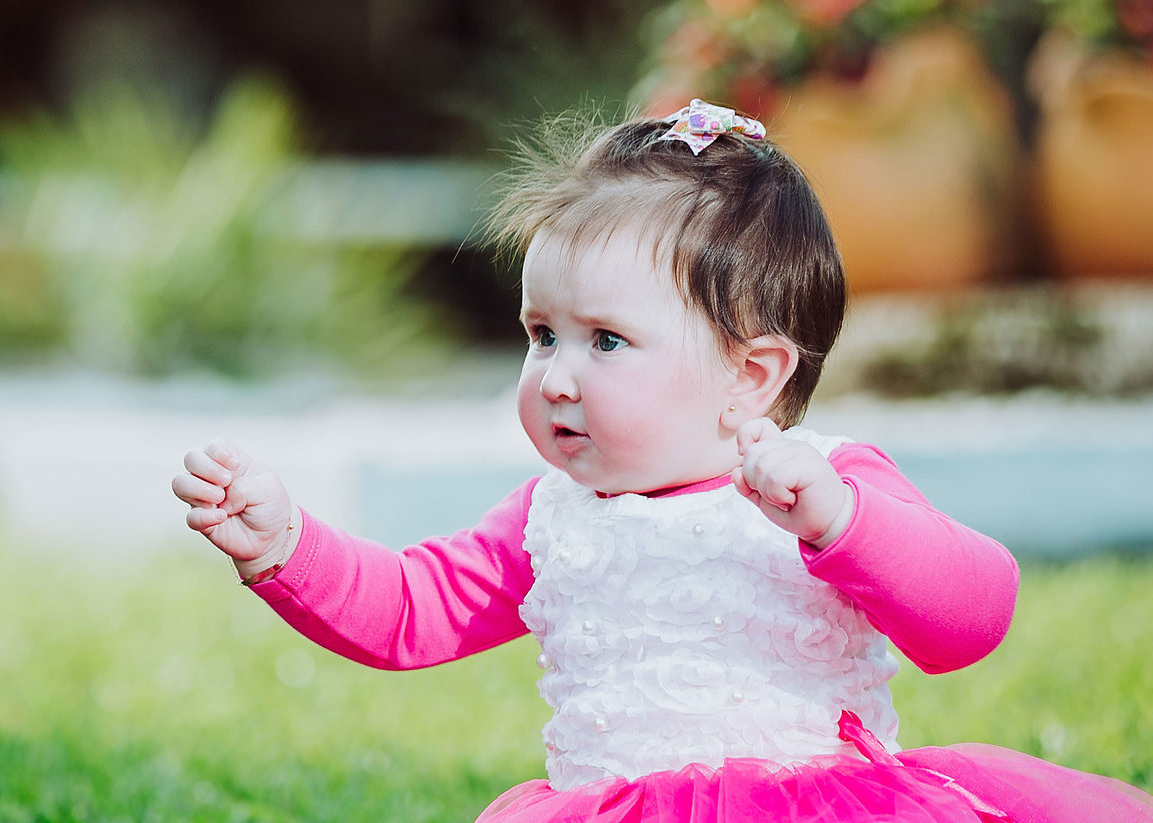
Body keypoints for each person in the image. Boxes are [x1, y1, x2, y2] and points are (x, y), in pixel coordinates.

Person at [172, 100, 1153, 822]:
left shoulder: (828, 482)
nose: (556, 374)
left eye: (604, 340)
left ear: (750, 374)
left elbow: (973, 616)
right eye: (539, 333)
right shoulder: (555, 516)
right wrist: (287, 546)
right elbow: (412, 607)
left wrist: (843, 524)